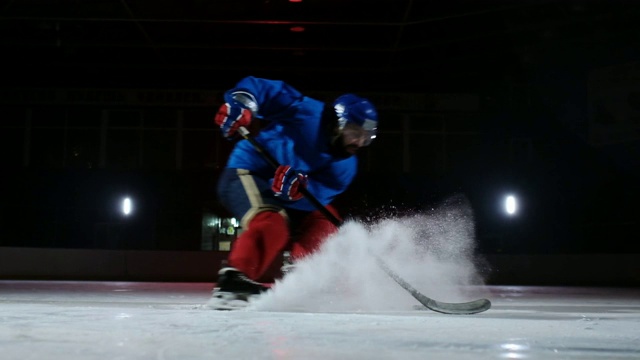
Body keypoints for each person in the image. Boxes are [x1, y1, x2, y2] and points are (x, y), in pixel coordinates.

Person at [208, 76, 378, 309]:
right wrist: (242, 103)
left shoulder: (346, 168)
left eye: (367, 138)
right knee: (271, 221)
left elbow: (316, 198)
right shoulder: (308, 112)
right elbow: (262, 90)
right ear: (339, 123)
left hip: (288, 198)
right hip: (248, 171)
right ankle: (233, 282)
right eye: (355, 132)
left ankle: (301, 278)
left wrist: (300, 190)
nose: (359, 142)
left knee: (326, 224)